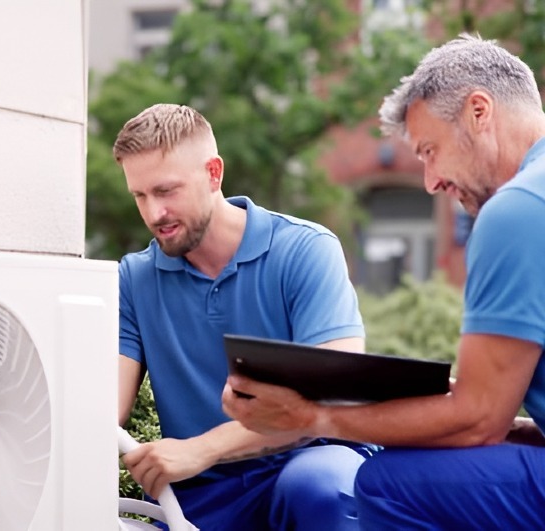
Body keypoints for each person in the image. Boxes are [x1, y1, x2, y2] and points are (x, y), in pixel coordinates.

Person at [222, 33, 545, 530]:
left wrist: (312, 418)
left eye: (430, 150)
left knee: (387, 482)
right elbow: (494, 417)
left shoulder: (517, 210)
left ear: (480, 112)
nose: (431, 181)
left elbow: (480, 420)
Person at [113, 103, 375, 531]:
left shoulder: (305, 250)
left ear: (214, 173)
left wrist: (206, 447)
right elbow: (104, 409)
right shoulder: (135, 278)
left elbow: (336, 392)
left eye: (166, 191)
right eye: (140, 195)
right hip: (199, 492)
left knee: (319, 484)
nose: (153, 213)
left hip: (307, 466)